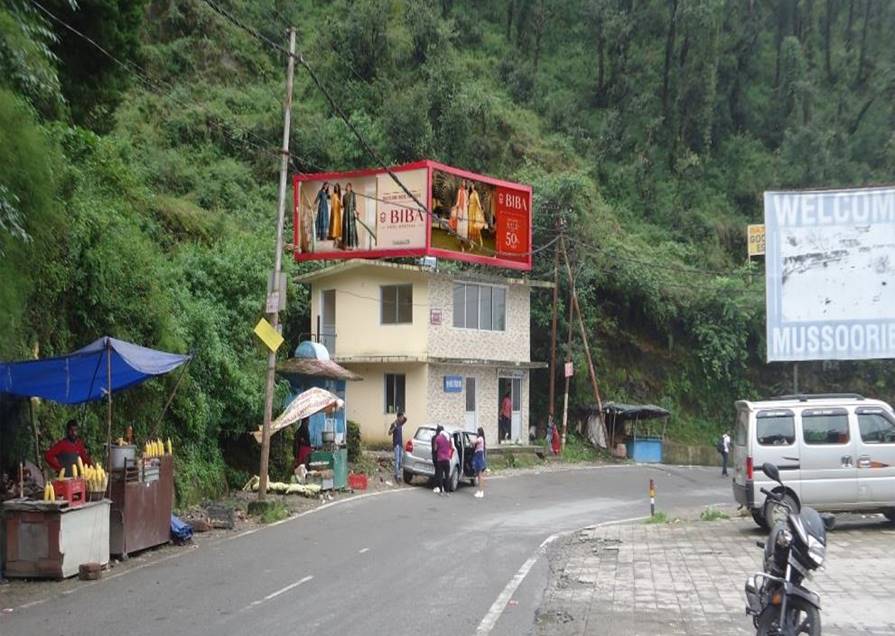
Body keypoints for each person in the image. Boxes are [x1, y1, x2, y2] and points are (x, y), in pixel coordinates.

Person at [433, 425, 453, 496]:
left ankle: (441, 492)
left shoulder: (438, 438)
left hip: (440, 459)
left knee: (440, 476)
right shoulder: (448, 438)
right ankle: (447, 492)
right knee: (447, 476)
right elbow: (451, 447)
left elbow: (435, 449)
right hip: (447, 460)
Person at [388, 411, 407, 484]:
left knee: (401, 461)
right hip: (396, 445)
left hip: (401, 444)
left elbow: (406, 419)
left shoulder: (401, 423)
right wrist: (394, 427)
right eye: (401, 417)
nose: (402, 418)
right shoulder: (394, 424)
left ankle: (397, 473)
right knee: (397, 460)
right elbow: (389, 433)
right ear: (398, 417)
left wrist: (401, 417)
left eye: (402, 417)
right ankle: (397, 476)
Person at [342, 182, 358, 249]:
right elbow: (344, 205)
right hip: (346, 213)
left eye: (349, 186)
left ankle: (353, 244)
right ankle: (346, 245)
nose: (348, 188)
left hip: (351, 213)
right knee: (346, 228)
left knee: (352, 228)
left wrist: (355, 212)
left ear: (351, 187)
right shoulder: (344, 196)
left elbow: (354, 204)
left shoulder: (353, 194)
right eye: (347, 186)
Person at [473, 426, 487, 498]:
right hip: (478, 456)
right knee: (479, 476)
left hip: (479, 457)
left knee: (480, 476)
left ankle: (481, 491)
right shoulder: (480, 439)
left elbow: (474, 442)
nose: (477, 433)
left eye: (478, 432)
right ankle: (479, 490)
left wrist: (471, 441)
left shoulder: (480, 438)